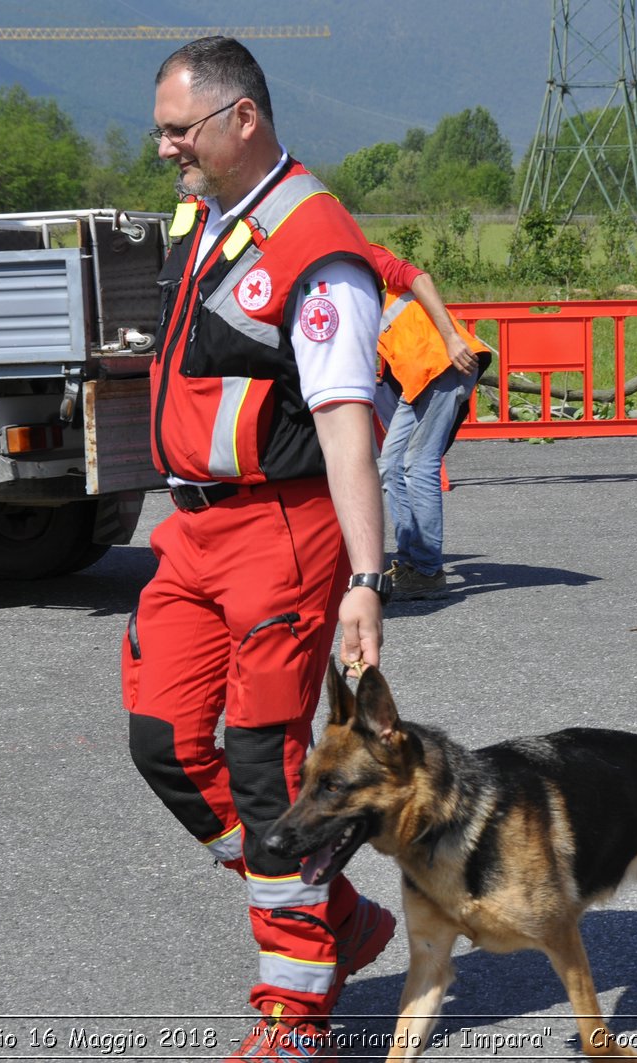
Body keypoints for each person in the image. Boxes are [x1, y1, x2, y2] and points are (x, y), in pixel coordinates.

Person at [121, 37, 395, 1061]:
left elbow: (344, 427)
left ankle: (297, 1014)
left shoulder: (317, 247)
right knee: (164, 743)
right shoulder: (209, 212)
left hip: (283, 528)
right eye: (161, 129)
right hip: (192, 526)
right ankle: (336, 914)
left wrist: (366, 580)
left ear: (242, 120)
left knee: (266, 767)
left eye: (178, 129)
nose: (163, 148)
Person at [369, 244, 492, 599]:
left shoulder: (363, 254)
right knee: (391, 464)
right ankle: (411, 564)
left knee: (418, 464)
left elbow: (419, 278)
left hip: (444, 364)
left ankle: (427, 570)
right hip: (417, 380)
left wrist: (453, 338)